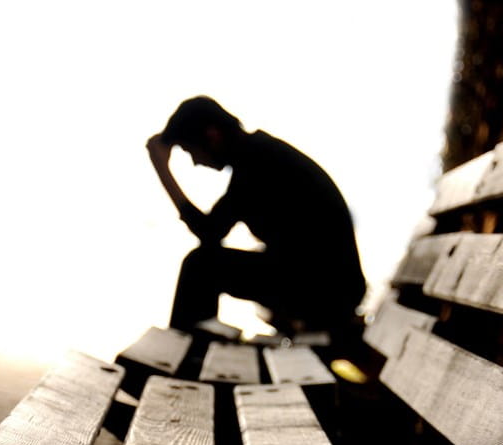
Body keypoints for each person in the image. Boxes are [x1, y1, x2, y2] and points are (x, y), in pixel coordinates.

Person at [147, 96, 367, 341]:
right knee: (205, 263)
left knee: (200, 266)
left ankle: (176, 356)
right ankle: (189, 349)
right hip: (328, 286)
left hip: (329, 294)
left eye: (191, 151)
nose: (196, 162)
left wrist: (162, 170)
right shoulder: (257, 154)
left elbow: (209, 232)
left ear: (212, 136)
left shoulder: (257, 162)